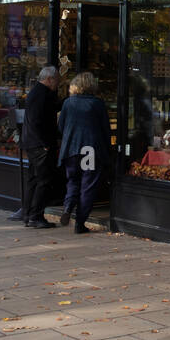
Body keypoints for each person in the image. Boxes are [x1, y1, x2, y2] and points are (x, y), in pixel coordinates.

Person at [57, 71, 111, 233]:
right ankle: (80, 223)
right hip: (90, 149)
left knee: (73, 181)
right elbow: (105, 130)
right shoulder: (97, 104)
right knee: (88, 185)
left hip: (71, 148)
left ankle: (67, 206)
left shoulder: (68, 103)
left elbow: (61, 127)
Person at [9, 65, 60, 227]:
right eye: (56, 80)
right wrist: (45, 143)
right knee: (43, 180)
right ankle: (36, 216)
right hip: (39, 144)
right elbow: (37, 121)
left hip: (32, 142)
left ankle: (27, 212)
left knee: (33, 179)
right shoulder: (41, 94)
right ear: (49, 79)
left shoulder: (38, 93)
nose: (57, 83)